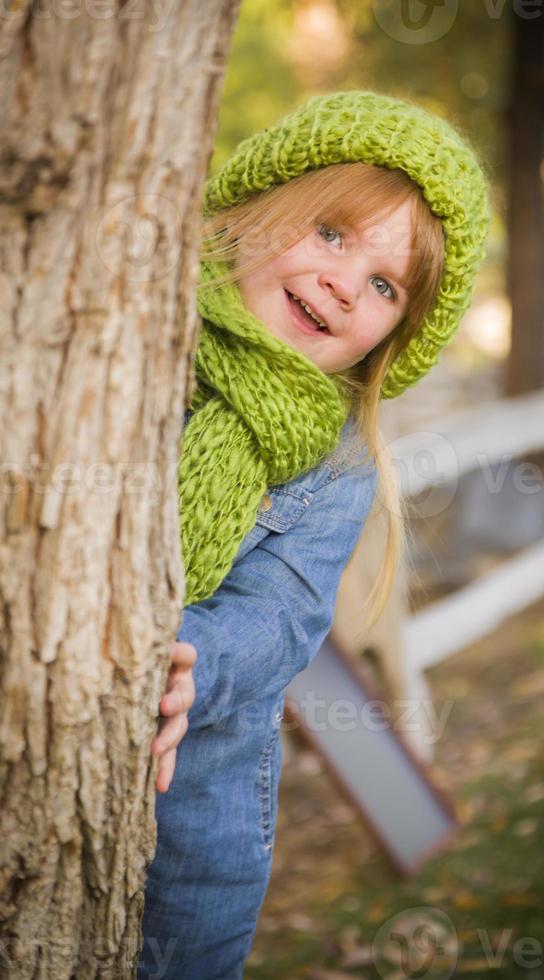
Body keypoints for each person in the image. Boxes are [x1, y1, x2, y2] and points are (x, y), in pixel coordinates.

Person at [139, 90, 490, 979]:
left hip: (195, 828)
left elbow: (287, 614)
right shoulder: (135, 348)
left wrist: (195, 660)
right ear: (262, 202)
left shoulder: (336, 465)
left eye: (383, 285)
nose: (343, 282)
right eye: (332, 233)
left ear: (391, 338)